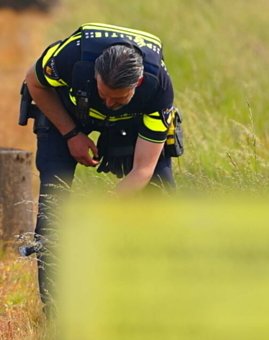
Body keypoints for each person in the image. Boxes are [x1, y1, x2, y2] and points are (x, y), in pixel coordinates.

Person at [21, 23, 182, 304]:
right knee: (53, 208)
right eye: (104, 93)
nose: (108, 102)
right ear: (95, 74)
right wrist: (71, 134)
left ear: (137, 84)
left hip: (130, 123)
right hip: (69, 111)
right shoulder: (70, 57)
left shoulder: (158, 89)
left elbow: (143, 169)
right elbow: (34, 83)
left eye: (117, 98)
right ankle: (55, 309)